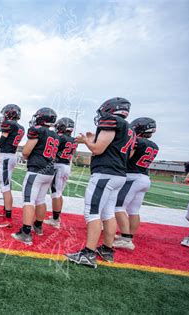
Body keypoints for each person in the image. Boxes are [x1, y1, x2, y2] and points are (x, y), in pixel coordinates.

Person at [65, 97, 134, 268]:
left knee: (92, 212)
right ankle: (107, 249)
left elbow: (97, 149)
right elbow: (127, 153)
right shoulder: (129, 129)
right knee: (108, 213)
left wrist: (87, 141)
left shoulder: (112, 121)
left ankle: (88, 253)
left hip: (105, 173)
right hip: (119, 174)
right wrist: (93, 139)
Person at [11, 108, 59, 245]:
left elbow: (26, 152)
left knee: (28, 200)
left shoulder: (38, 130)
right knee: (41, 200)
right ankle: (38, 226)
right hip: (49, 172)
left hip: (36, 170)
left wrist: (25, 155)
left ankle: (26, 233)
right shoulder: (55, 135)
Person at [113, 117, 159, 250]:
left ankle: (126, 239)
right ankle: (128, 236)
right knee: (134, 210)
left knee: (118, 207)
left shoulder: (137, 141)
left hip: (132, 177)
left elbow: (128, 157)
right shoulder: (154, 145)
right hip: (144, 177)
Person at [0, 104, 25, 228]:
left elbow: (0, 144)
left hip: (6, 156)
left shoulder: (9, 125)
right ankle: (6, 211)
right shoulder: (20, 127)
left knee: (5, 187)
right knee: (6, 184)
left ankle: (8, 218)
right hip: (11, 155)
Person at [44, 117, 77, 229]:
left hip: (58, 166)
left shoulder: (60, 137)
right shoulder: (73, 140)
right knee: (59, 193)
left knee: (55, 193)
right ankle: (57, 216)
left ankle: (55, 219)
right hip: (66, 165)